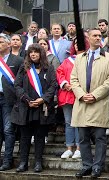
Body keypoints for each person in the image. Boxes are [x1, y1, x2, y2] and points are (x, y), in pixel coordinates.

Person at [70, 28, 109, 178]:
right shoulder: (79, 58)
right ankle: (87, 165)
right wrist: (82, 95)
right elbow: (73, 79)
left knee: (100, 137)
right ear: (88, 39)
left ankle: (97, 167)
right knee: (83, 138)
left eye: (100, 36)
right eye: (94, 36)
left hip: (99, 103)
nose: (98, 38)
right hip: (82, 103)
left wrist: (95, 95)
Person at [12, 43, 57, 173]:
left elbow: (53, 85)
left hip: (41, 107)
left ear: (41, 53)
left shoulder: (49, 68)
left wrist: (43, 99)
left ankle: (38, 162)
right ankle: (23, 163)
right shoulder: (24, 67)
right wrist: (27, 99)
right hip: (26, 107)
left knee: (39, 136)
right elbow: (17, 85)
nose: (33, 54)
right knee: (24, 137)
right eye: (31, 52)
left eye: (36, 52)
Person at [57, 37, 90, 159]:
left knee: (79, 123)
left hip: (81, 95)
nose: (77, 45)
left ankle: (79, 148)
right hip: (67, 94)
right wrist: (65, 84)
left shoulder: (89, 59)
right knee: (68, 122)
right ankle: (69, 148)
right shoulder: (67, 61)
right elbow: (59, 73)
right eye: (75, 43)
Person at [0, 33, 23, 171]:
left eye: (1, 42)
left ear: (9, 44)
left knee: (8, 130)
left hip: (9, 100)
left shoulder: (18, 60)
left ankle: (7, 160)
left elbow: (20, 83)